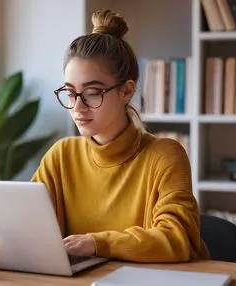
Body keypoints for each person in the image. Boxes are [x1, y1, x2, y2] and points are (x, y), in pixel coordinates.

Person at [31, 9, 210, 263]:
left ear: (126, 91)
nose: (78, 108)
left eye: (92, 93)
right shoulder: (61, 156)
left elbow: (176, 238)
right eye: (70, 93)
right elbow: (27, 229)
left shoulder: (165, 155)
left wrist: (96, 243)